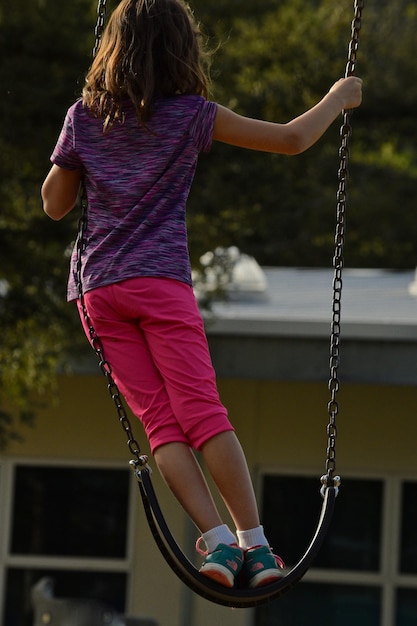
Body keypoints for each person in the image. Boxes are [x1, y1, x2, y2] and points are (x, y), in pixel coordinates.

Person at [41, 0, 362, 589]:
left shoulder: (83, 116)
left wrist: (80, 153)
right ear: (181, 50)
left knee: (162, 424)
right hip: (160, 285)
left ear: (113, 48)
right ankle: (257, 549)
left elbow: (54, 204)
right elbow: (291, 140)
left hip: (98, 295)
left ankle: (217, 546)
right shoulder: (192, 116)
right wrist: (338, 98)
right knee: (202, 412)